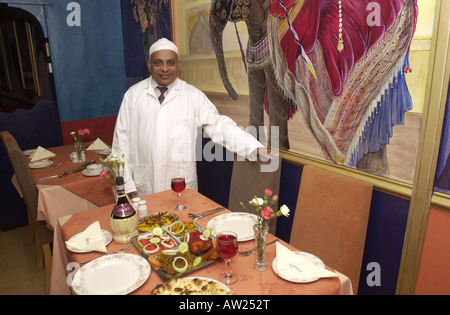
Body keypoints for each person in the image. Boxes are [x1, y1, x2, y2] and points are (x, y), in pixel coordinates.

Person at [112, 38, 266, 197]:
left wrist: (251, 146)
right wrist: (126, 185)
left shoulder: (193, 96)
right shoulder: (133, 95)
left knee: (182, 220)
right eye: (158, 63)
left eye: (170, 63)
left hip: (180, 185)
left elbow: (218, 125)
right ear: (149, 65)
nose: (165, 68)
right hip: (143, 186)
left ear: (179, 65)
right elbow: (121, 143)